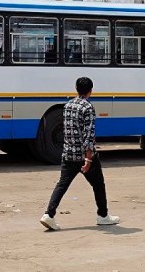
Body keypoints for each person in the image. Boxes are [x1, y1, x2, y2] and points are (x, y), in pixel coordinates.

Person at [40, 77, 120, 231]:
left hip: (68, 153)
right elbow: (88, 135)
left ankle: (48, 214)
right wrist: (88, 159)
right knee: (98, 184)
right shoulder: (88, 107)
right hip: (83, 156)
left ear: (76, 89)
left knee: (62, 184)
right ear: (91, 90)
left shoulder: (68, 105)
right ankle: (103, 216)